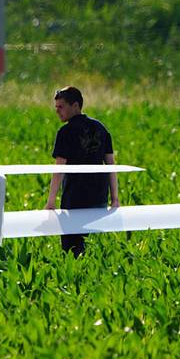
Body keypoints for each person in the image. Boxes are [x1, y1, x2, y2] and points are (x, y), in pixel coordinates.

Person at [44, 86, 119, 257]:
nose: (57, 112)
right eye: (56, 108)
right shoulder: (100, 128)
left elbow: (59, 169)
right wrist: (114, 198)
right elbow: (111, 165)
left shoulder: (65, 132)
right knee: (95, 250)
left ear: (76, 106)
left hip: (74, 200)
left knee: (72, 251)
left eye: (61, 107)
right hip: (99, 198)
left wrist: (51, 201)